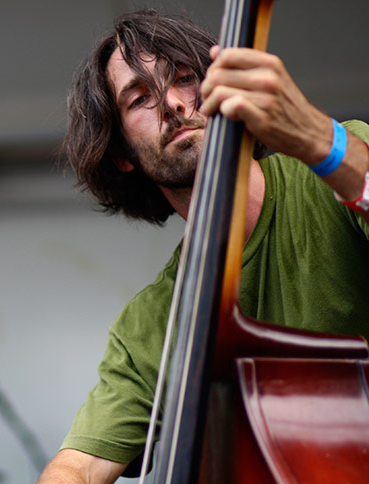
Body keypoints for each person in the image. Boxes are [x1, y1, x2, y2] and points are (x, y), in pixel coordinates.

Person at [37, 9, 369, 484]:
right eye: (139, 99)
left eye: (184, 77)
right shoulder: (151, 324)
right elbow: (77, 467)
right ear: (123, 155)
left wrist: (323, 143)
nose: (172, 103)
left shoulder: (341, 166)